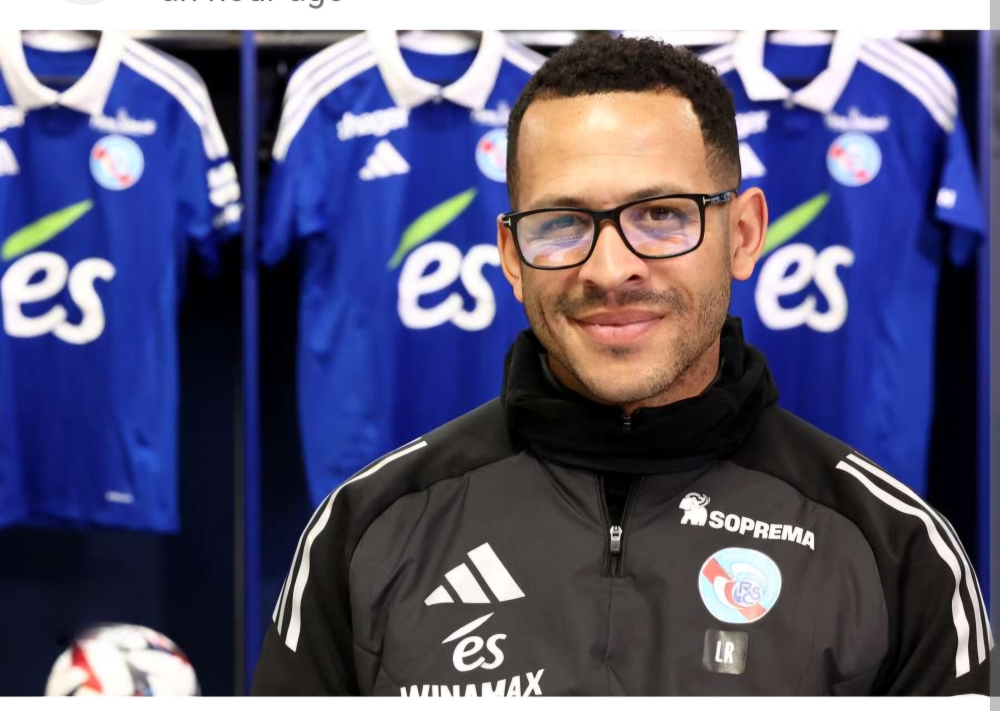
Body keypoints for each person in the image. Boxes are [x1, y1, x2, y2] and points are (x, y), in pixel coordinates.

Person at [251, 34, 991, 696]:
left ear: (742, 234)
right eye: (562, 222)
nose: (610, 269)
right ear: (511, 256)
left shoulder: (896, 552)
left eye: (662, 215)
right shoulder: (363, 532)